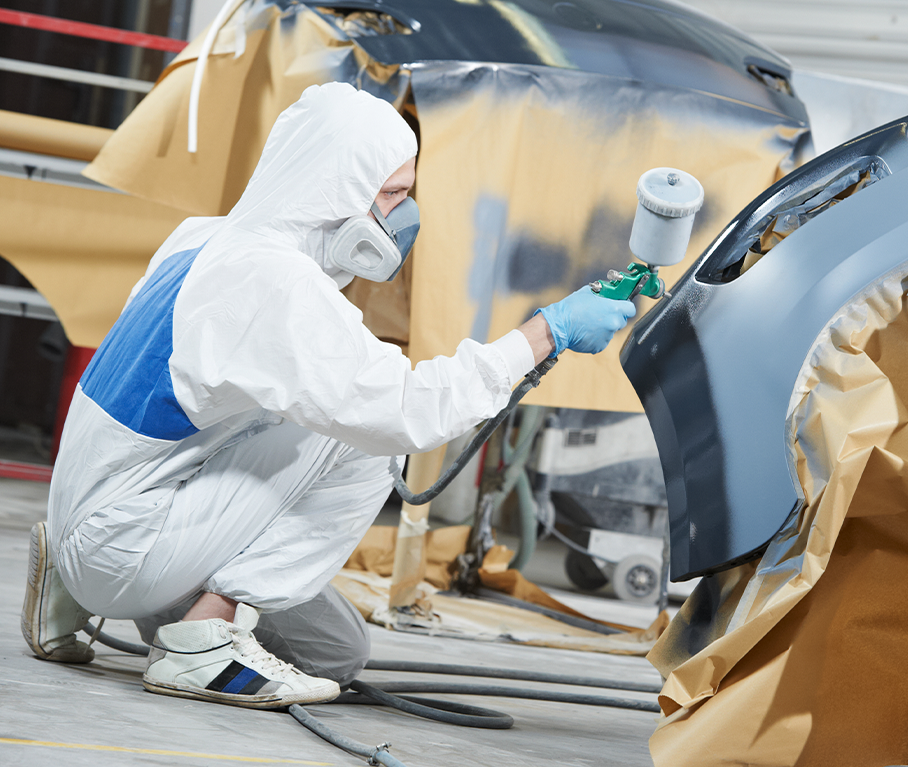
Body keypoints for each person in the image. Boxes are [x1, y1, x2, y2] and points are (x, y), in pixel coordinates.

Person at [20, 82, 636, 709]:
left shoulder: (202, 239)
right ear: (332, 191)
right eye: (392, 194)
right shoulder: (270, 281)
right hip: (127, 546)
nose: (404, 215)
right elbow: (406, 412)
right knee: (363, 439)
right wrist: (545, 333)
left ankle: (70, 588)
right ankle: (201, 641)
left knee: (333, 654)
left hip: (98, 514)